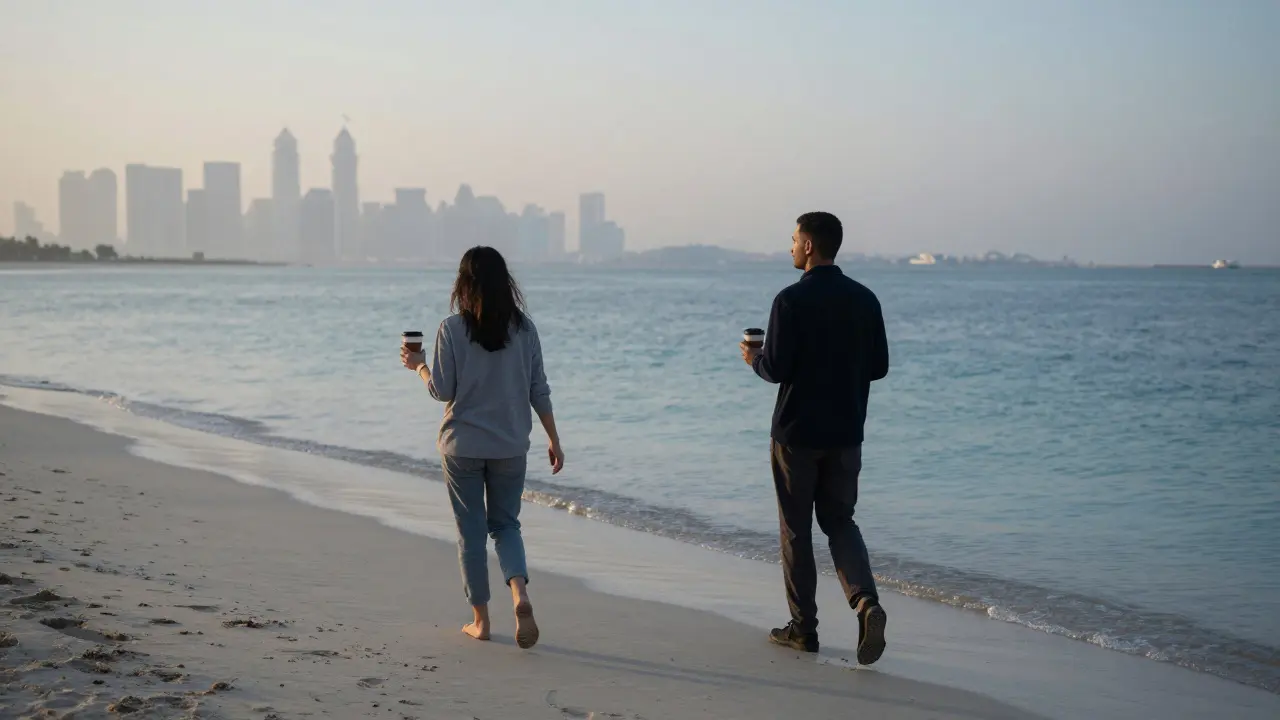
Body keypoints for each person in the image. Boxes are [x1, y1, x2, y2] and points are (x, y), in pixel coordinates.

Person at [739, 211, 890, 665]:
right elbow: (879, 367)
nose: (790, 247)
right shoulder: (865, 299)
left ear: (809, 247)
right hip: (846, 431)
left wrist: (755, 359)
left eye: (793, 240)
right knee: (840, 521)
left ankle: (803, 629)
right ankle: (865, 602)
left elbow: (777, 369)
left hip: (796, 434)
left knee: (796, 529)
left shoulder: (789, 300)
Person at [401, 246, 565, 650]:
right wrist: (553, 438)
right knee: (506, 525)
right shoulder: (525, 329)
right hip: (511, 445)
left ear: (463, 284)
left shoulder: (451, 328)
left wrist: (418, 365)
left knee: (471, 533)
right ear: (505, 284)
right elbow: (538, 389)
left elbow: (442, 390)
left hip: (463, 447)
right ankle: (520, 595)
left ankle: (481, 622)